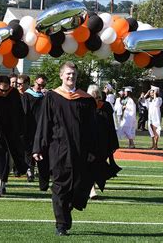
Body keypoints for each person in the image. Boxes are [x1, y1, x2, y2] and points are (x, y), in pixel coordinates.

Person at [32, 62, 105, 236]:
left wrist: (96, 150)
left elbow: (93, 128)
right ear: (61, 76)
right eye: (68, 74)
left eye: (73, 74)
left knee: (79, 186)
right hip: (59, 149)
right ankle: (61, 225)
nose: (71, 77)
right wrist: (38, 147)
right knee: (60, 186)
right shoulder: (52, 97)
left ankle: (67, 210)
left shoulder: (85, 100)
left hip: (81, 150)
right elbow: (44, 123)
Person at [86, 84, 121, 199]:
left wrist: (113, 143)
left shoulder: (106, 107)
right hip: (88, 142)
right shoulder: (84, 106)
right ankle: (91, 190)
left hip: (102, 142)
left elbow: (111, 126)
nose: (96, 100)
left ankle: (91, 187)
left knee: (97, 166)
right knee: (89, 165)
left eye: (97, 97)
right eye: (93, 97)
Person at [21, 74, 49, 188]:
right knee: (29, 149)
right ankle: (29, 170)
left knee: (41, 149)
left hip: (42, 127)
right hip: (30, 126)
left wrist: (47, 96)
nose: (40, 87)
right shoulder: (27, 95)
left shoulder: (45, 96)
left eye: (43, 85)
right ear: (34, 82)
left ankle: (41, 173)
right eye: (39, 84)